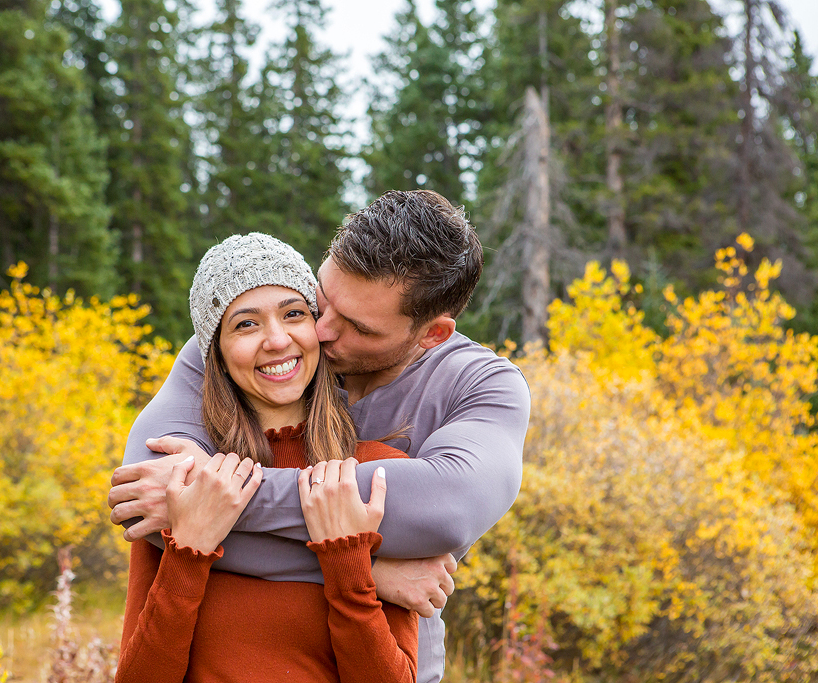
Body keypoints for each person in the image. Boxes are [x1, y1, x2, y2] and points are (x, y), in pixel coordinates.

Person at [109, 190, 531, 683]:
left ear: (431, 334)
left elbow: (446, 509)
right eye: (322, 300)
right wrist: (366, 569)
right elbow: (146, 497)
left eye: (355, 326)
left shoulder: (482, 386)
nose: (320, 330)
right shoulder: (258, 348)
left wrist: (216, 500)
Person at [117, 232, 418, 682]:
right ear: (214, 354)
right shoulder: (183, 485)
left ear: (319, 327)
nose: (277, 340)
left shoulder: (375, 473)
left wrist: (349, 563)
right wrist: (189, 553)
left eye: (294, 314)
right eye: (246, 324)